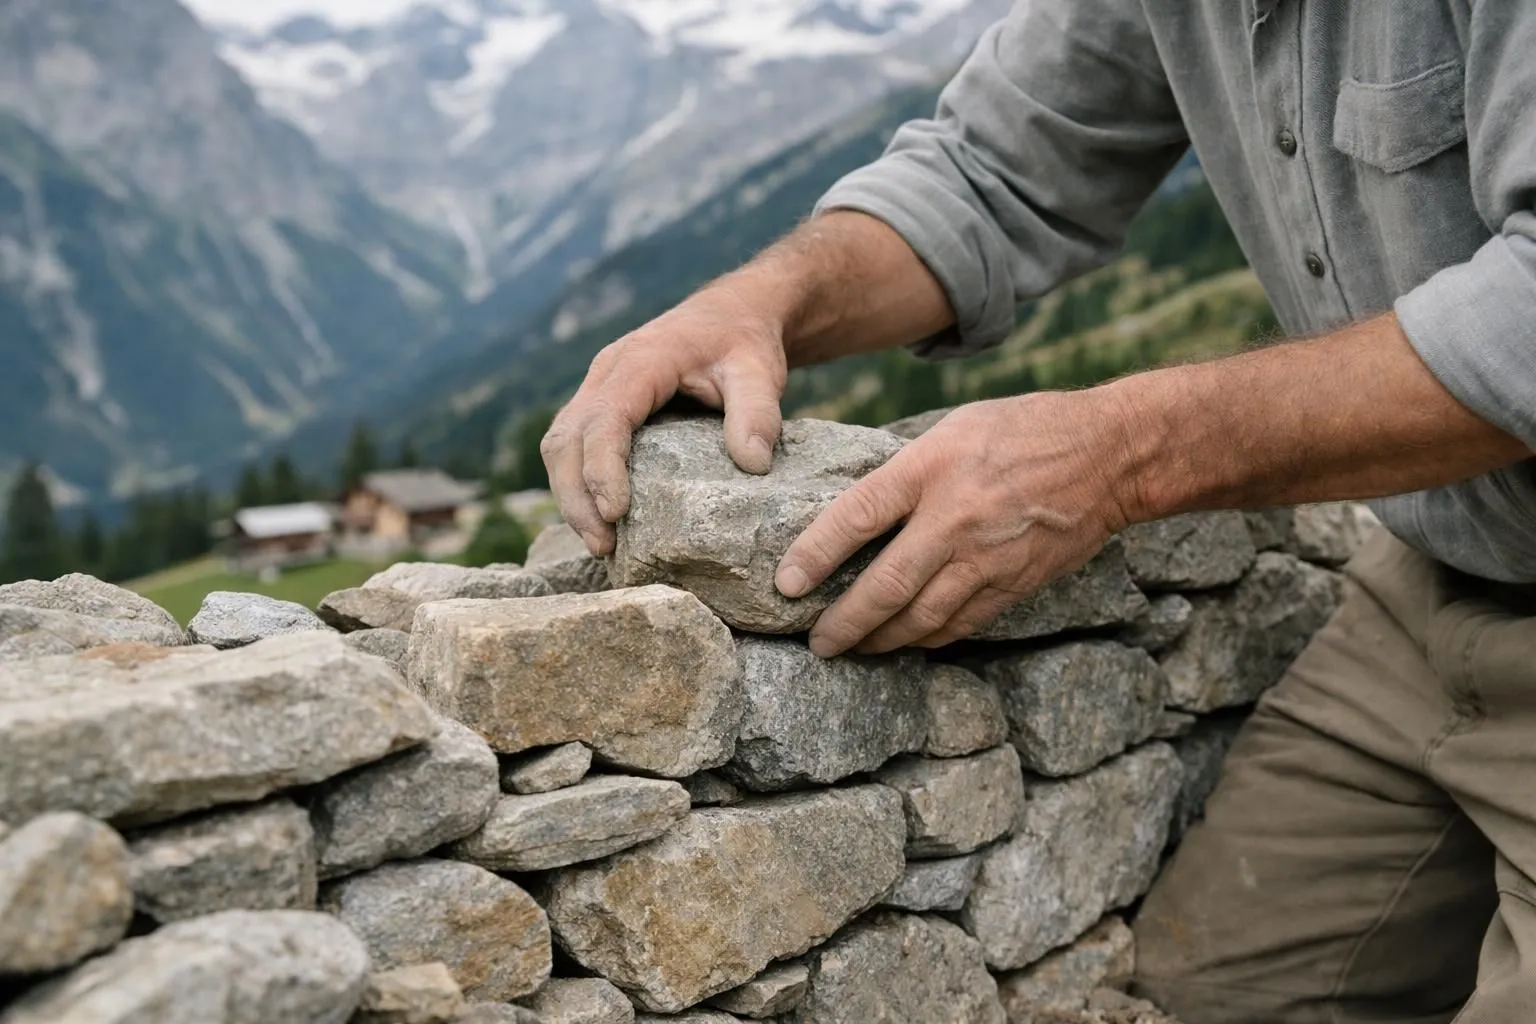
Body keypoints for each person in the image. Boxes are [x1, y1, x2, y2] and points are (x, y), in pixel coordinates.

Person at [542, 3, 1536, 1019]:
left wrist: (1117, 454)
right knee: (1201, 994)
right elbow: (989, 172)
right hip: (1434, 587)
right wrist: (762, 302)